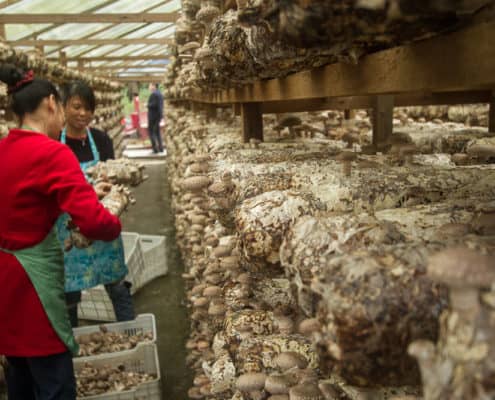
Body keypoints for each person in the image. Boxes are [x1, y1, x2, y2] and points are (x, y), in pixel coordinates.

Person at [0, 65, 121, 399]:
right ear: (53, 104)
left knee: (20, 377)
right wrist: (114, 215)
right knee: (54, 382)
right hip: (34, 288)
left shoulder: (3, 149)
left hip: (5, 285)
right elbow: (95, 223)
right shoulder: (53, 152)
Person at [57, 80, 135, 327]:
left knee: (118, 285)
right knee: (69, 291)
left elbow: (112, 175)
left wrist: (110, 187)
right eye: (76, 107)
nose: (83, 113)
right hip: (69, 228)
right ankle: (73, 347)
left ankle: (130, 332)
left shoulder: (101, 139)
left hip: (101, 222)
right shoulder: (54, 144)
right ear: (63, 107)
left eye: (88, 108)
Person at [147, 82, 164, 154]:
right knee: (157, 132)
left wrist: (147, 105)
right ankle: (161, 147)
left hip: (153, 116)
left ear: (154, 86)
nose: (149, 87)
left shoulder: (154, 94)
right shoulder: (160, 94)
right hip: (158, 115)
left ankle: (155, 149)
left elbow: (154, 105)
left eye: (150, 85)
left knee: (152, 132)